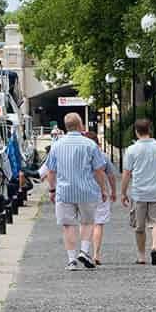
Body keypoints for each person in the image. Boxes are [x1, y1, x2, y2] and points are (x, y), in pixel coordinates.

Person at [43, 112, 109, 271]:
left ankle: (71, 260)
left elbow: (51, 171)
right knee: (87, 222)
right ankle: (85, 251)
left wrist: (52, 189)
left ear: (66, 126)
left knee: (68, 225)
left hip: (64, 192)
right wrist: (103, 189)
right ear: (80, 126)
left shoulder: (57, 145)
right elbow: (99, 171)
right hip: (87, 191)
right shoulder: (90, 145)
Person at [120, 118, 156, 265]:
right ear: (149, 130)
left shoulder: (131, 150)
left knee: (139, 226)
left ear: (136, 131)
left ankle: (141, 256)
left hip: (138, 192)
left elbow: (127, 173)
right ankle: (154, 246)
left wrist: (123, 192)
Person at [83, 131, 116, 265]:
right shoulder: (103, 156)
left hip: (84, 192)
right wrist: (113, 191)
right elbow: (111, 175)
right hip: (100, 192)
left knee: (85, 223)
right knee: (98, 224)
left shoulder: (80, 155)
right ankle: (96, 253)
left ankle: (84, 251)